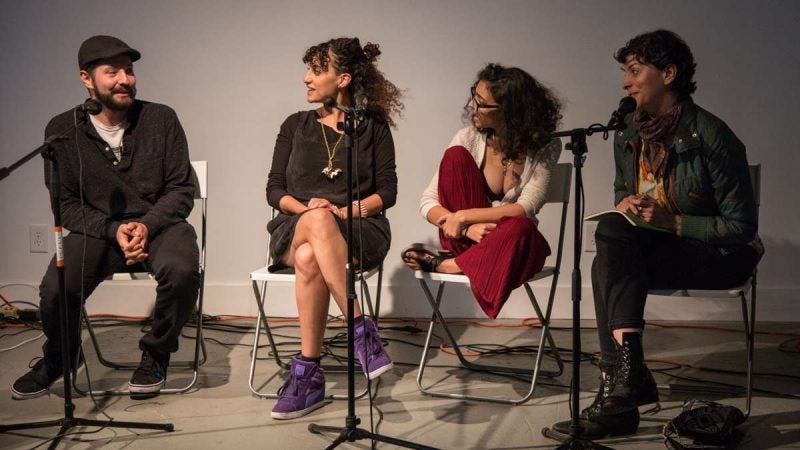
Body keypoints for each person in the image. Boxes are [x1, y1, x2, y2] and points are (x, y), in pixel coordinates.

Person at [582, 29, 762, 437]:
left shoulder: (713, 136)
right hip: (659, 249)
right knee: (611, 233)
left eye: (634, 70)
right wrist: (626, 202)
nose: (625, 82)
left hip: (718, 256)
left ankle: (621, 384)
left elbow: (741, 228)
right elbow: (621, 190)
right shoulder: (629, 131)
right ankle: (626, 380)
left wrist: (674, 222)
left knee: (606, 266)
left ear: (668, 74)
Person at [11, 35, 200, 399]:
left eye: (128, 71)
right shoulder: (62, 130)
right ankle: (61, 357)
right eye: (112, 72)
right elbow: (65, 204)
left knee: (182, 271)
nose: (124, 79)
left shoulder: (161, 118)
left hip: (160, 225)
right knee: (55, 288)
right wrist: (114, 230)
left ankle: (156, 354)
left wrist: (146, 225)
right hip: (99, 230)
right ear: (86, 79)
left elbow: (181, 189)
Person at [265, 37, 402, 420]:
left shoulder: (371, 128)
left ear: (342, 79)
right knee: (315, 225)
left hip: (358, 228)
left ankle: (308, 376)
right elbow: (275, 190)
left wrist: (344, 211)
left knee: (311, 255)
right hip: (293, 225)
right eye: (307, 70)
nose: (306, 78)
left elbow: (387, 192)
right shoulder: (294, 125)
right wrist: (309, 210)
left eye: (316, 70)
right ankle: (360, 326)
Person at [402, 63, 561, 319]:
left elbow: (527, 206)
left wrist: (464, 216)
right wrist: (465, 228)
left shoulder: (546, 146)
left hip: (510, 244)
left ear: (509, 111)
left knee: (521, 226)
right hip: (466, 239)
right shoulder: (467, 138)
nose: (470, 106)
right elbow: (428, 202)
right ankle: (472, 262)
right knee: (456, 157)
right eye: (473, 96)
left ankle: (452, 266)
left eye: (481, 102)